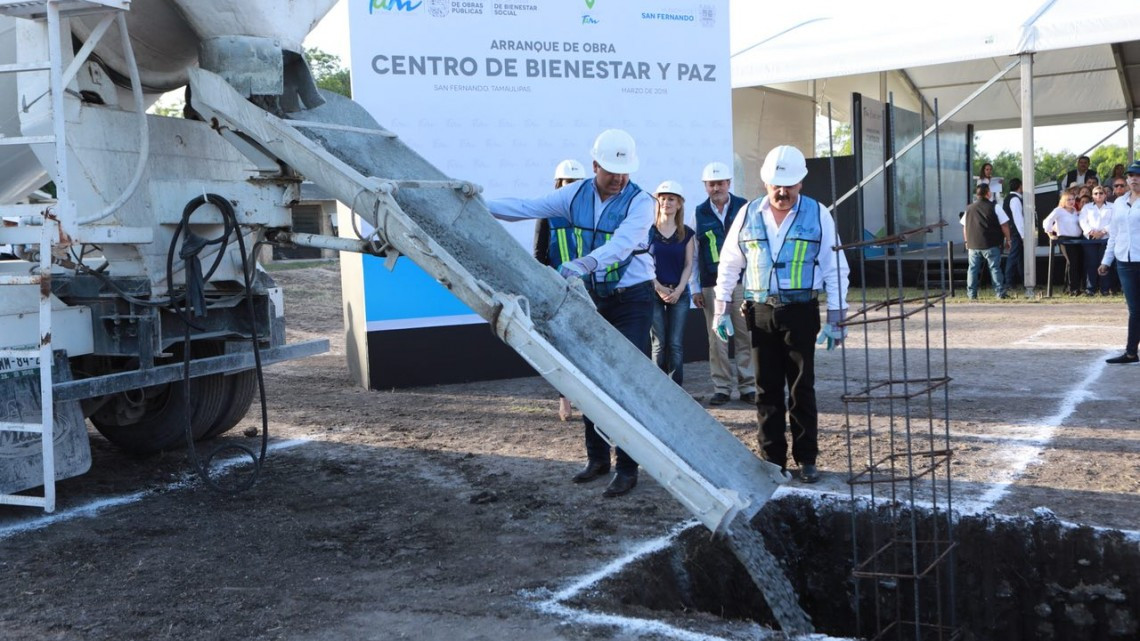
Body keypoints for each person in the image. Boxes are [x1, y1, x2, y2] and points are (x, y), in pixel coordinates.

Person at [488, 129, 654, 498]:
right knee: (588, 375)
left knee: (623, 380)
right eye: (611, 171)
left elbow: (623, 244)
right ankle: (597, 460)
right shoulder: (574, 193)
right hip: (593, 298)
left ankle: (628, 467)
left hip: (632, 299)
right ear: (595, 165)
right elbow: (527, 208)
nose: (619, 178)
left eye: (625, 172)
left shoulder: (642, 202)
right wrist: (477, 204)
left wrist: (586, 262)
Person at [712, 145, 850, 484]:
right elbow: (730, 264)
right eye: (776, 185)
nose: (782, 192)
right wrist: (720, 310)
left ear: (801, 182)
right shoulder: (747, 214)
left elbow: (835, 267)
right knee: (766, 390)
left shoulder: (818, 215)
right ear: (765, 183)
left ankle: (807, 459)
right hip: (759, 313)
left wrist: (837, 316)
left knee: (802, 388)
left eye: (789, 185)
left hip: (800, 311)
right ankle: (772, 460)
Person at [689, 161, 756, 406]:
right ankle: (722, 387)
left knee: (744, 336)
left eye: (720, 183)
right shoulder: (698, 213)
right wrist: (694, 288)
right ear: (705, 186)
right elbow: (695, 254)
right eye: (711, 184)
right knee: (717, 340)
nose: (716, 188)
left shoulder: (745, 207)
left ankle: (748, 386)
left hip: (741, 283)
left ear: (729, 183)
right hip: (711, 286)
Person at [535, 159, 587, 421]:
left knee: (586, 344)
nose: (574, 187)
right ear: (559, 184)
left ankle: (589, 399)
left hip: (586, 289)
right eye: (569, 182)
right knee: (562, 346)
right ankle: (564, 399)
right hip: (558, 291)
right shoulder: (547, 213)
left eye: (578, 183)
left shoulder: (591, 214)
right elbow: (539, 255)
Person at [648, 180, 696, 385]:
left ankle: (676, 389)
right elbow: (644, 263)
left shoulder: (686, 233)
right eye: (662, 198)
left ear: (679, 204)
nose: (666, 203)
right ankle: (658, 388)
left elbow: (688, 264)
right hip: (654, 292)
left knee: (675, 344)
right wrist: (658, 287)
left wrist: (679, 290)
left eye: (671, 199)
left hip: (680, 292)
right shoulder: (648, 231)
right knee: (659, 343)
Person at [1099, 160, 1140, 364]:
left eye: (1138, 176)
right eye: (1131, 175)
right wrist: (1106, 261)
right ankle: (1131, 353)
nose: (1134, 179)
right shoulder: (1118, 203)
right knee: (1135, 309)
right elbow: (1114, 235)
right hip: (1124, 261)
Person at [961, 182, 1010, 300]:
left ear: (977, 195)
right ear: (988, 193)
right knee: (994, 268)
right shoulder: (995, 207)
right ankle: (999, 293)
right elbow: (1004, 225)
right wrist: (1008, 239)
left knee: (972, 269)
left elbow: (964, 226)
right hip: (991, 243)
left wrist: (967, 241)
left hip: (973, 244)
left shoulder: (969, 208)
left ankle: (972, 295)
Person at [1042, 192, 1084, 296]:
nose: (1071, 201)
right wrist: (1050, 234)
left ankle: (1071, 287)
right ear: (1063, 201)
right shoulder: (1058, 211)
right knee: (1072, 262)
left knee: (1075, 263)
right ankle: (1073, 289)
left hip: (1077, 239)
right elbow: (1047, 221)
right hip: (1065, 240)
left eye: (1072, 199)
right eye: (1068, 199)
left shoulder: (1075, 211)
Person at [1081, 184, 1115, 295]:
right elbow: (1082, 221)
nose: (1098, 195)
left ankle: (1105, 289)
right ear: (1092, 196)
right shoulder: (1087, 207)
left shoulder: (1112, 206)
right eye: (1096, 193)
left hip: (1106, 239)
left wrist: (1103, 231)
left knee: (1105, 263)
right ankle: (1090, 289)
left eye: (1101, 193)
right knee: (1091, 263)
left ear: (1105, 195)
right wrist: (1092, 232)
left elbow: (1115, 221)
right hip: (1090, 239)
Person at [1002, 178, 1025, 289]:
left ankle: (1025, 280)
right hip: (1015, 232)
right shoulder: (1015, 200)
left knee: (1019, 257)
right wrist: (1023, 235)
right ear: (1020, 186)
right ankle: (1009, 282)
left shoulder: (1009, 198)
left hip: (1013, 231)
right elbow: (1018, 219)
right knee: (1013, 256)